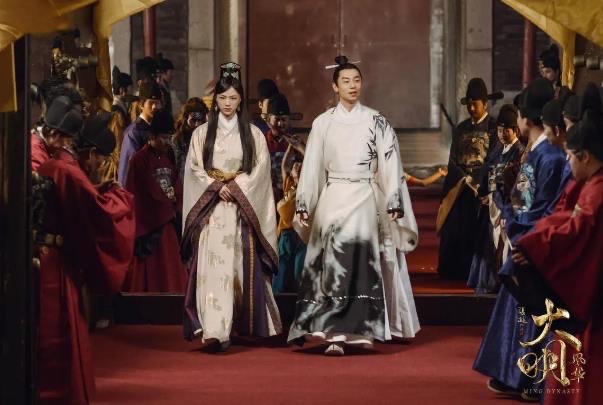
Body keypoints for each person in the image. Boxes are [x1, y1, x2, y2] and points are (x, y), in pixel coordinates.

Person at [287, 56, 419, 356]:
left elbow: (390, 161)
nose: (352, 86)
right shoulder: (323, 123)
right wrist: (305, 202)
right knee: (330, 263)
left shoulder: (376, 121)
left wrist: (394, 199)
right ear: (335, 87)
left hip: (364, 195)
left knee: (361, 261)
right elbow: (312, 166)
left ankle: (361, 329)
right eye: (345, 81)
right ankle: (332, 331)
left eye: (356, 80)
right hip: (333, 195)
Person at [474, 78, 566, 401]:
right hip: (525, 233)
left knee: (531, 314)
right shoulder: (541, 152)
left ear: (525, 119)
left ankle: (527, 379)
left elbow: (540, 207)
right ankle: (515, 375)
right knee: (520, 312)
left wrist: (516, 227)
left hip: (532, 238)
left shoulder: (548, 156)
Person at [35, 111, 135, 404]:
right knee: (59, 334)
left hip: (44, 257)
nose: (100, 166)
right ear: (90, 153)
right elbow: (100, 212)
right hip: (55, 264)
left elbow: (84, 198)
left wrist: (100, 189)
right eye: (100, 160)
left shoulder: (56, 165)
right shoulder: (70, 172)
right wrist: (122, 199)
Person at [181, 62, 281, 352]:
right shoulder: (202, 134)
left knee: (239, 267)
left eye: (233, 98)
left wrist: (235, 187)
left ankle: (239, 324)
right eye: (223, 97)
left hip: (241, 209)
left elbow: (260, 170)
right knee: (214, 270)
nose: (227, 103)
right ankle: (215, 329)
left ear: (241, 100)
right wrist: (215, 186)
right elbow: (193, 170)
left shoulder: (253, 134)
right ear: (215, 100)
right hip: (212, 210)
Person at [512, 107, 603, 405]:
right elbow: (565, 218)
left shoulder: (596, 191)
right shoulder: (590, 185)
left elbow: (576, 232)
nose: (567, 162)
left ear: (585, 156)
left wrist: (535, 247)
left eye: (570, 156)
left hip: (591, 300)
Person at [437, 78, 501, 280]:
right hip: (460, 186)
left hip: (481, 188)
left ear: (485, 104)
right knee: (456, 227)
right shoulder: (461, 128)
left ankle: (476, 273)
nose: (472, 108)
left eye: (476, 104)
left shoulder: (494, 128)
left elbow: (493, 157)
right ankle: (456, 270)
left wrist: (477, 179)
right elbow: (453, 159)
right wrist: (463, 178)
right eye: (470, 104)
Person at [124, 110, 187, 293]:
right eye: (163, 137)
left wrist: (175, 200)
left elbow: (177, 185)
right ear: (151, 136)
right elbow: (138, 193)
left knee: (171, 271)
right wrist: (166, 203)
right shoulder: (138, 160)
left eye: (169, 138)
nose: (167, 142)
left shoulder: (168, 158)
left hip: (168, 222)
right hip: (150, 226)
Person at [468, 104, 525, 293]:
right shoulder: (498, 149)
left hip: (506, 204)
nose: (502, 134)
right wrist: (484, 191)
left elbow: (516, 183)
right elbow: (489, 171)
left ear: (516, 131)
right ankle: (489, 283)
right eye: (500, 130)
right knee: (489, 245)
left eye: (506, 130)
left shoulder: (519, 152)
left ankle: (502, 284)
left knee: (503, 245)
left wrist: (501, 201)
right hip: (493, 201)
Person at [272, 145, 306, 293]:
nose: (296, 166)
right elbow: (284, 165)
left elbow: (312, 163)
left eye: (300, 165)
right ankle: (277, 300)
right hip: (285, 234)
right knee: (281, 271)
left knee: (299, 272)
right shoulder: (289, 185)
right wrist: (290, 147)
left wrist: (301, 148)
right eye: (295, 166)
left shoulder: (307, 187)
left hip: (302, 235)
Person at [117, 81, 162, 184]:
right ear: (142, 105)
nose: (154, 107)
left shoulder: (159, 128)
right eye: (151, 103)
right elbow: (128, 169)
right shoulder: (134, 132)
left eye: (157, 103)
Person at [31, 96, 82, 171]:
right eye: (68, 141)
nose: (66, 146)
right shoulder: (36, 152)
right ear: (54, 133)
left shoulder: (45, 146)